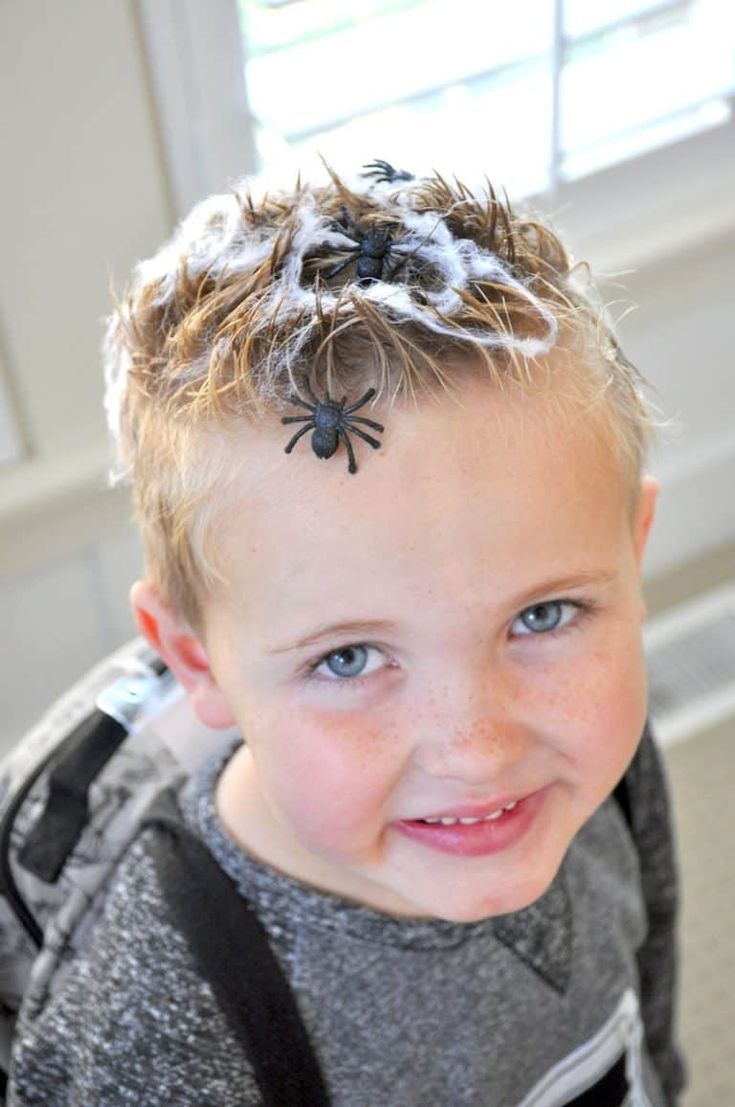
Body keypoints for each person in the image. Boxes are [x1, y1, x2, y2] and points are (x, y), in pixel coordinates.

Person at [8, 162, 685, 1105]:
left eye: (542, 614)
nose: (478, 749)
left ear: (631, 554)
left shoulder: (595, 766)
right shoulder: (159, 1042)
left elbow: (647, 994)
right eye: (348, 657)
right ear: (195, 658)